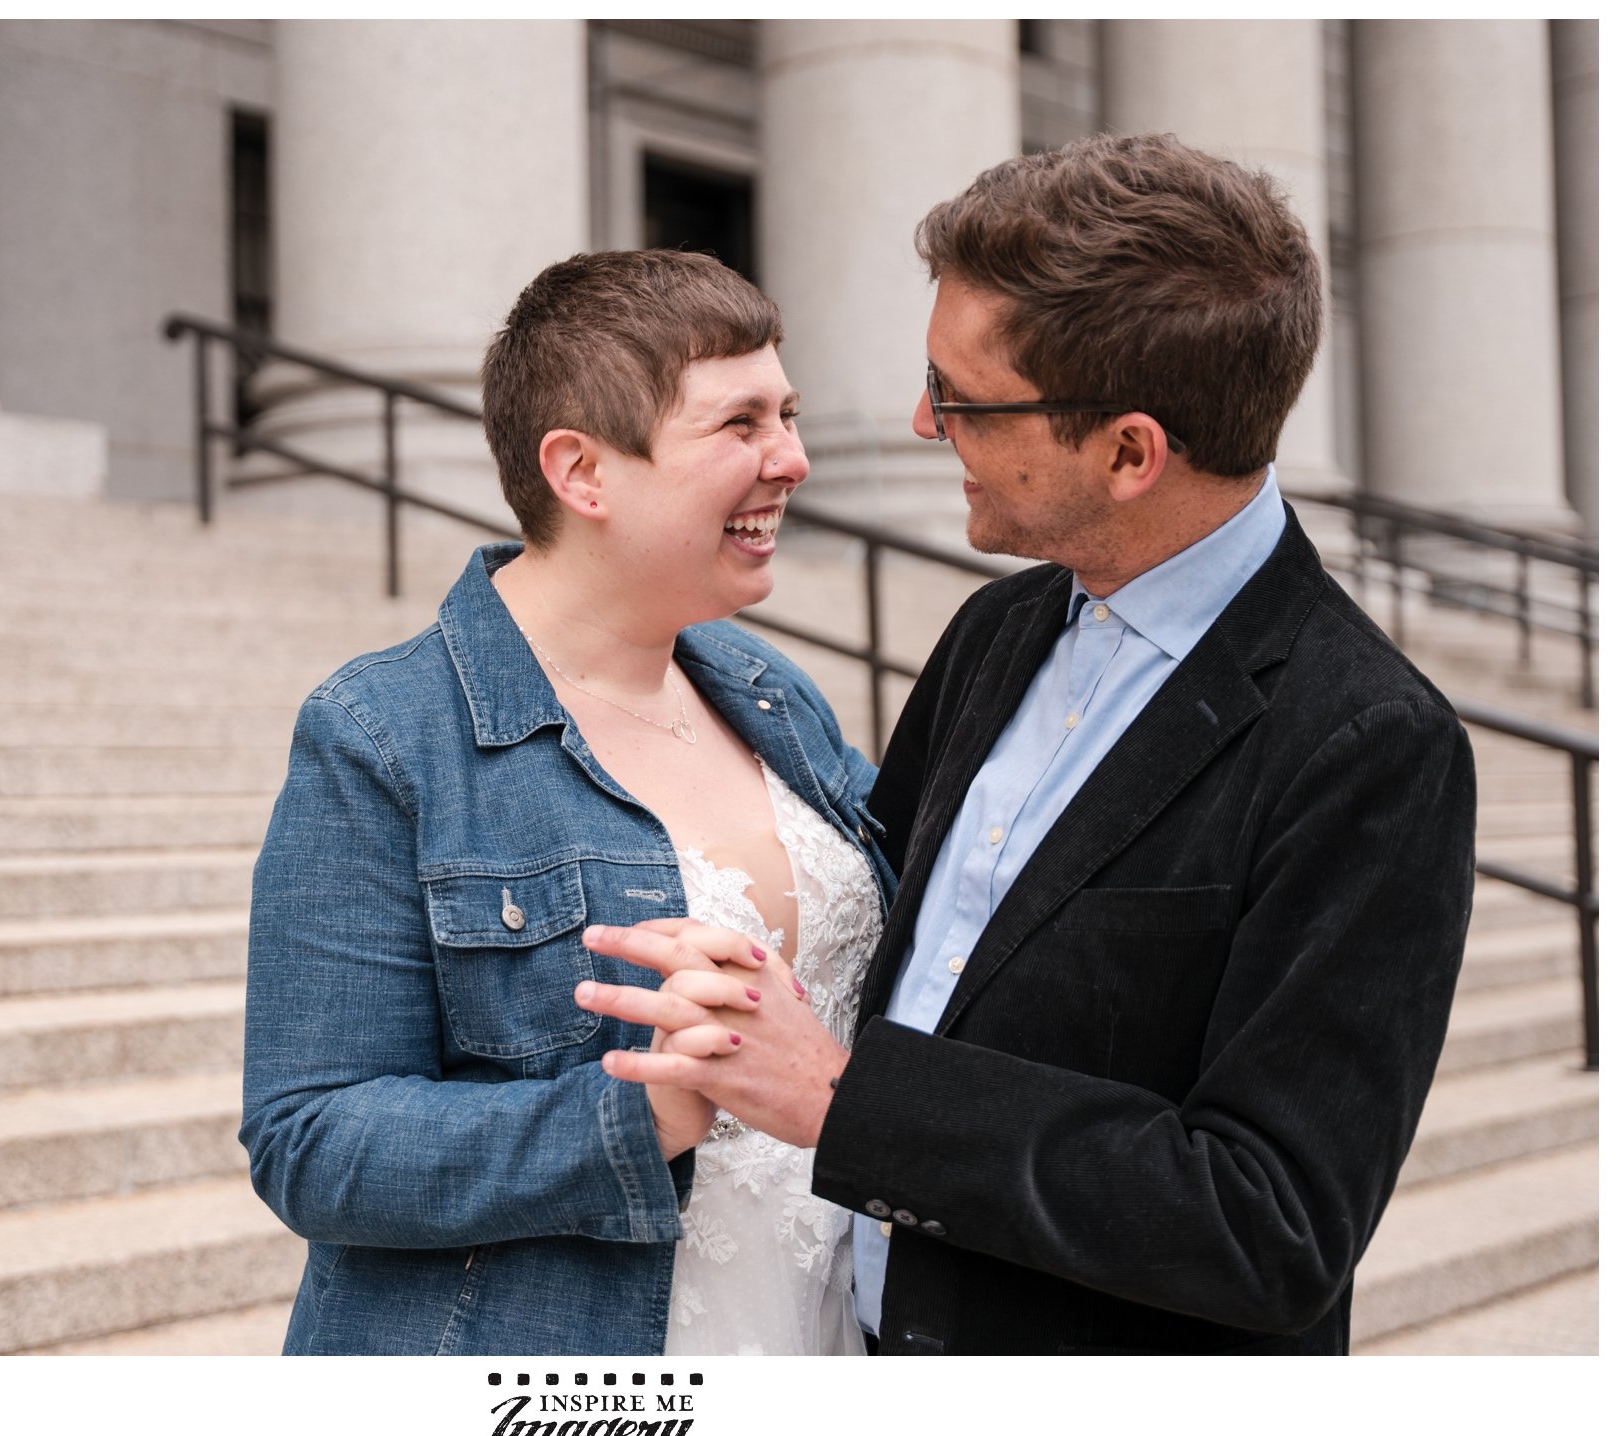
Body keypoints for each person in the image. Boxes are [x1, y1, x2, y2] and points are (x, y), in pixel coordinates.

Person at [579, 133, 1478, 1354]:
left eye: (958, 395)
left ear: (1127, 452)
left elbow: (1271, 1224)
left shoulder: (1371, 744)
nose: (917, 420)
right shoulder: (998, 625)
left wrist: (847, 1105)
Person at [240, 249, 893, 1354]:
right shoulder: (383, 734)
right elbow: (311, 1138)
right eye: (739, 425)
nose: (792, 457)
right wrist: (637, 1116)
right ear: (582, 472)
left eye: (786, 413)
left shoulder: (777, 694)